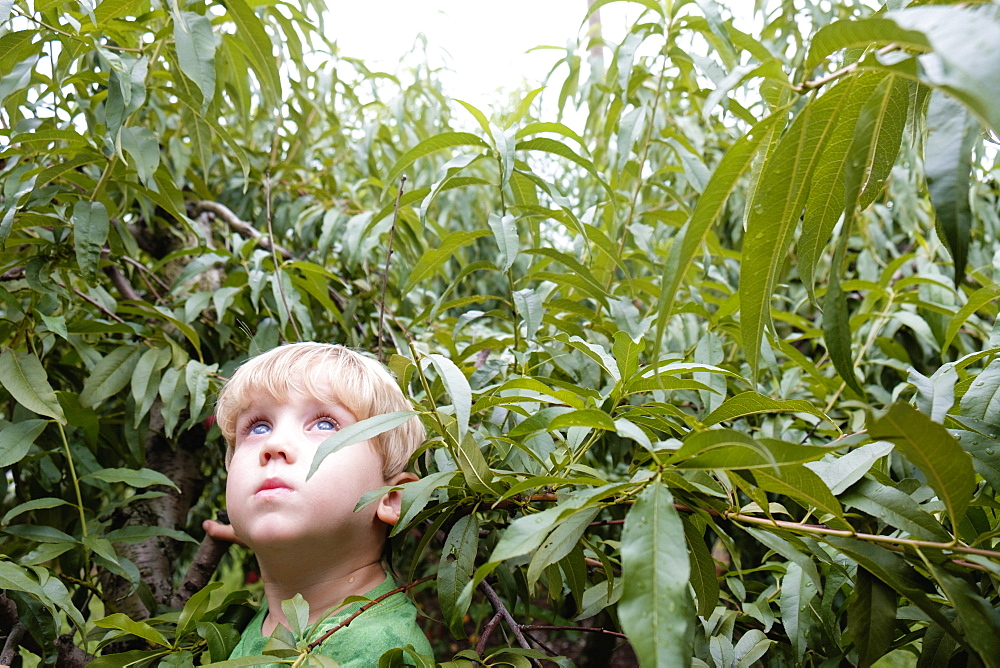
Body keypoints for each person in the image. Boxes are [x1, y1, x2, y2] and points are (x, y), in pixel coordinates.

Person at [204, 342, 432, 665]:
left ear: (392, 499)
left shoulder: (383, 652)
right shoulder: (256, 625)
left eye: (325, 425)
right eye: (258, 427)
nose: (274, 444)